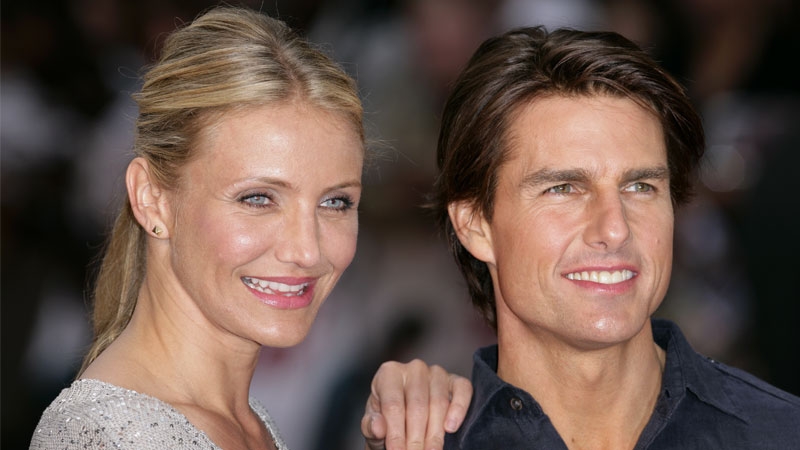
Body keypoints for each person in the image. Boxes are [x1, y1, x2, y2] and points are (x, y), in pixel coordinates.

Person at [28, 7, 471, 450]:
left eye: (335, 202)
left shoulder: (243, 420)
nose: (308, 250)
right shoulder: (108, 437)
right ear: (151, 197)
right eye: (258, 198)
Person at [422, 26, 800, 448]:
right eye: (563, 188)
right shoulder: (420, 440)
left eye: (640, 187)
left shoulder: (780, 434)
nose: (615, 228)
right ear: (475, 225)